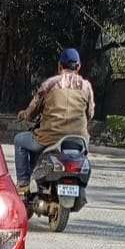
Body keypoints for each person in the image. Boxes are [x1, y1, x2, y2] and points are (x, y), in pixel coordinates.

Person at [14, 48, 95, 195]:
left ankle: (23, 184)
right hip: (79, 141)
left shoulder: (50, 85)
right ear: (78, 67)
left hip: (49, 138)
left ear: (59, 66)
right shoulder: (86, 87)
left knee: (19, 140)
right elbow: (90, 114)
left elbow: (32, 111)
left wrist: (24, 115)